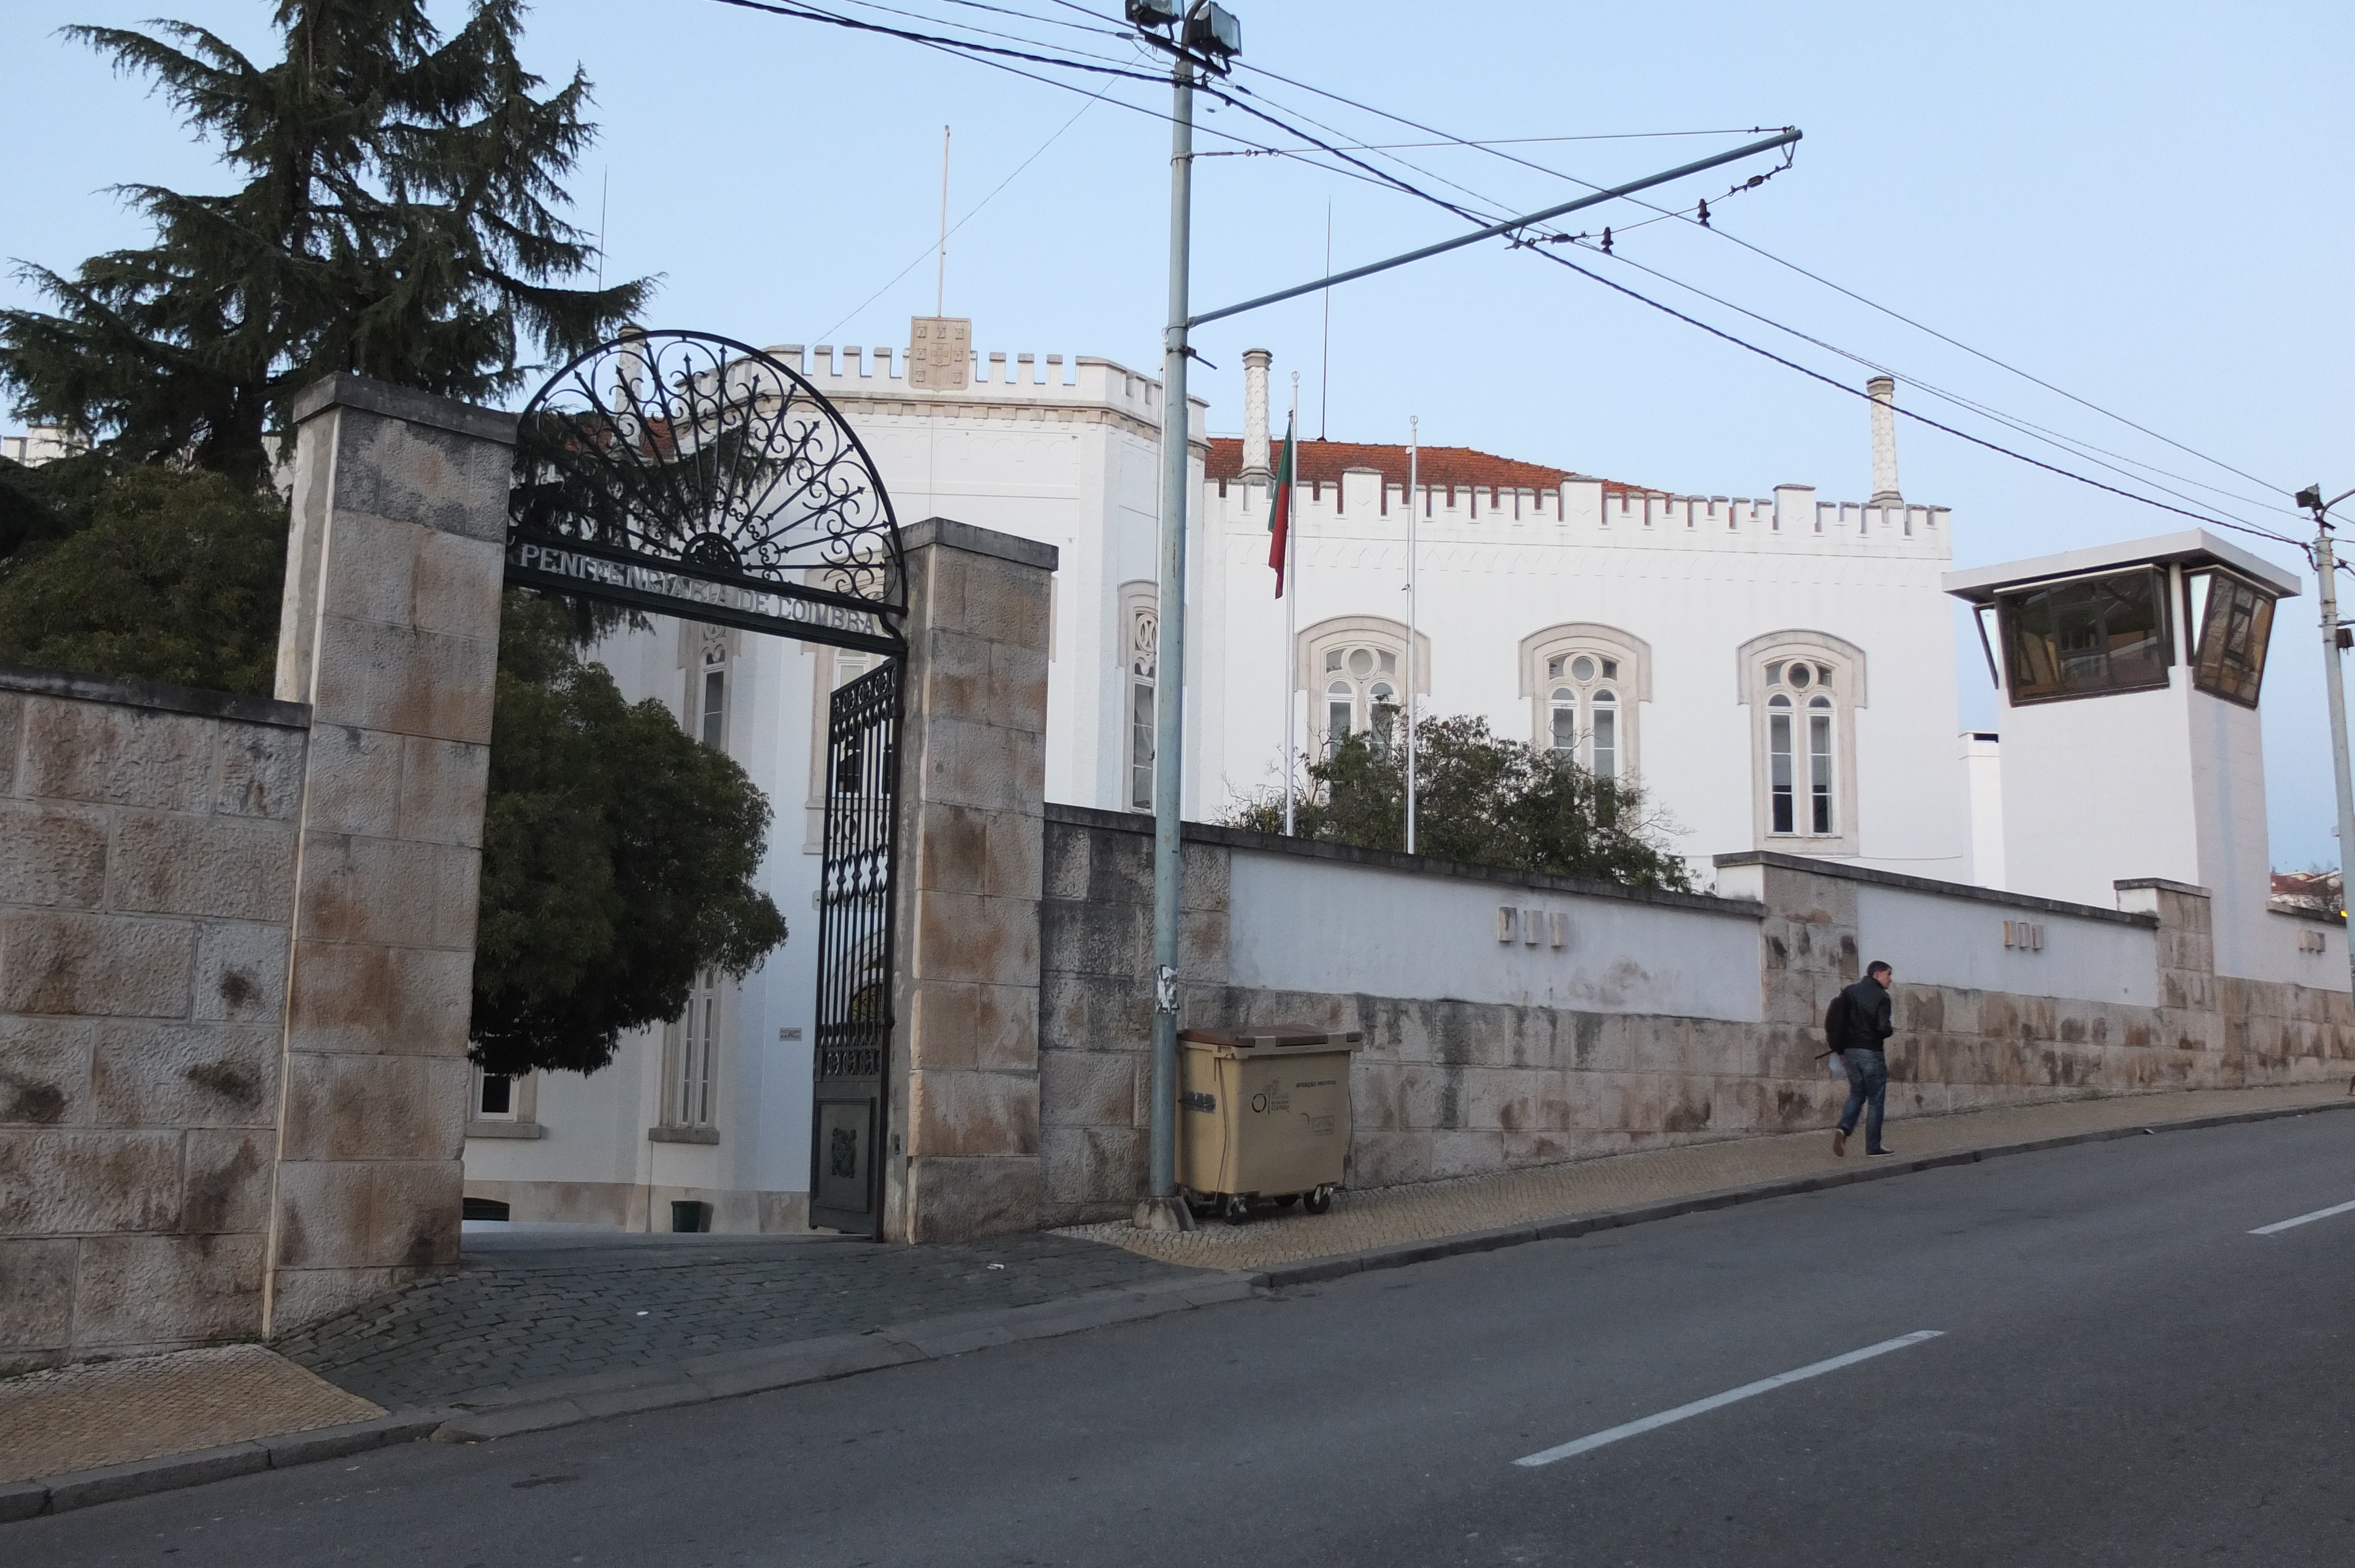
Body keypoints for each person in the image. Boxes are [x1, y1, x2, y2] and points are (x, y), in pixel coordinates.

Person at [1826, 961, 1896, 1157]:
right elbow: (1883, 1028)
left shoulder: (1849, 992)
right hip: (1871, 1052)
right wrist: (1890, 1030)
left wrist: (1839, 1049)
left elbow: (1836, 1021)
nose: (1890, 979)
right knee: (1876, 1099)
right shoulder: (1882, 997)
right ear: (1877, 974)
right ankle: (1873, 1147)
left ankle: (1844, 1127)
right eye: (1888, 974)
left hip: (1850, 1052)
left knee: (1857, 1094)